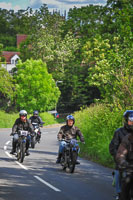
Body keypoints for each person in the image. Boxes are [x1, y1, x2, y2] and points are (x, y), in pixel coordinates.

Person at [109, 110, 133, 200]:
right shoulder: (119, 132)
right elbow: (113, 148)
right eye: (131, 121)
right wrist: (120, 160)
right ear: (126, 121)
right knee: (119, 174)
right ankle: (120, 194)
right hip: (123, 162)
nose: (132, 123)